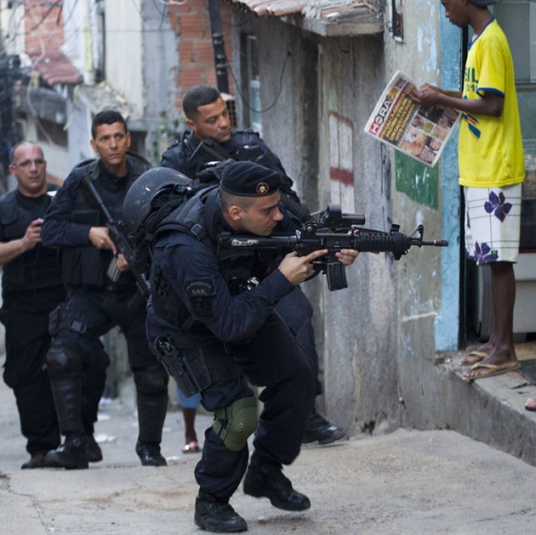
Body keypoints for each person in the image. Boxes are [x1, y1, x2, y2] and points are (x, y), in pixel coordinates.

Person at [139, 161, 359, 532]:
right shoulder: (185, 246)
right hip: (187, 329)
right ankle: (211, 501)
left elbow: (297, 244)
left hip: (241, 303)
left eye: (277, 206)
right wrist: (281, 280)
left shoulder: (269, 217)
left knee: (297, 379)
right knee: (238, 412)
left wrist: (331, 254)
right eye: (268, 211)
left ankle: (265, 472)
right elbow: (228, 325)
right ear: (236, 213)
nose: (279, 215)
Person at [161, 84, 346, 445]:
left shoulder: (251, 146)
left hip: (264, 259)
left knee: (298, 317)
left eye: (224, 114)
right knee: (223, 333)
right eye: (211, 119)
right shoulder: (178, 161)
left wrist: (317, 240)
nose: (222, 123)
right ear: (192, 124)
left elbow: (286, 198)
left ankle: (305, 414)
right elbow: (175, 219)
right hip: (214, 268)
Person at [411, 0, 525, 381]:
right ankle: (496, 342)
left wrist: (443, 99)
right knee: (489, 258)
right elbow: (477, 96)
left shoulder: (490, 40)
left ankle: (505, 349)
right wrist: (439, 95)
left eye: (447, 6)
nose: (446, 14)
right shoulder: (480, 40)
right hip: (480, 166)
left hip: (496, 166)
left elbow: (493, 105)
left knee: (499, 261)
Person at [41, 110, 169, 469]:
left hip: (137, 292)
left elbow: (170, 232)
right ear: (94, 144)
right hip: (92, 293)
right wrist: (88, 234)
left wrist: (139, 256)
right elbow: (50, 231)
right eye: (105, 139)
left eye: (118, 137)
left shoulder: (148, 180)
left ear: (128, 139)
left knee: (152, 371)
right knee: (62, 355)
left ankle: (150, 448)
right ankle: (75, 444)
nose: (113, 145)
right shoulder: (81, 180)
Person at [0, 141, 63, 469]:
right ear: (14, 170)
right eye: (26, 164)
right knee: (26, 378)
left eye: (38, 162)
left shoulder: (62, 200)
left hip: (63, 302)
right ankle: (41, 448)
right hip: (22, 308)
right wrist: (24, 243)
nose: (34, 168)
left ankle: (77, 440)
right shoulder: (0, 209)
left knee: (81, 365)